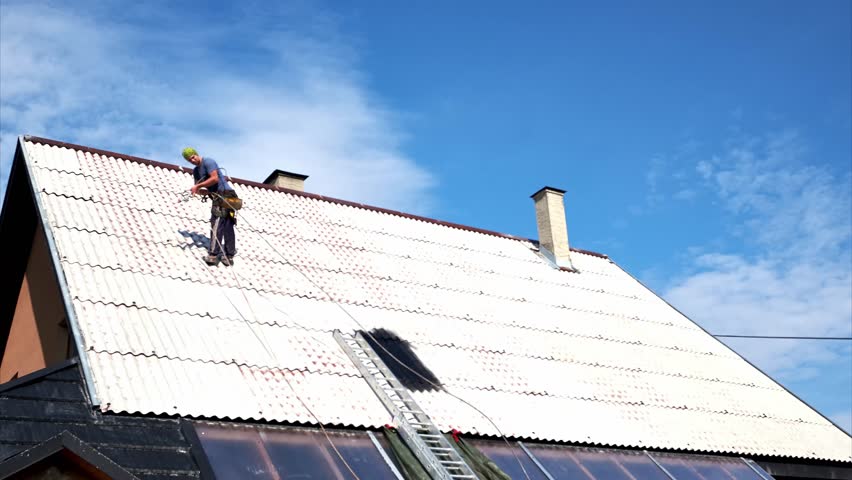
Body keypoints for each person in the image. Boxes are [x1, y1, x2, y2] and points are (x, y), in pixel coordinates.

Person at [182, 147, 237, 266]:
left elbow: (214, 178)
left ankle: (214, 254)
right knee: (226, 224)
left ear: (196, 154)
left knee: (219, 222)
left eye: (192, 157)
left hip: (227, 195)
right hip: (218, 196)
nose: (192, 160)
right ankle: (229, 255)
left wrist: (198, 186)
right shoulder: (196, 171)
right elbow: (200, 189)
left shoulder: (208, 162)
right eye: (189, 160)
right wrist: (197, 190)